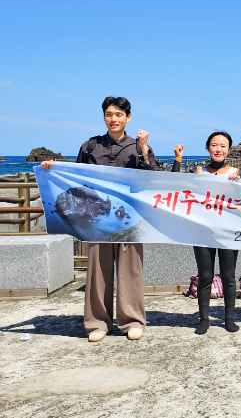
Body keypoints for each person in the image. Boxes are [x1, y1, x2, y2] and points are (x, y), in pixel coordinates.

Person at [40, 96, 162, 342]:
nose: (113, 119)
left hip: (130, 219)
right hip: (95, 220)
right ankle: (97, 323)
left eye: (119, 114)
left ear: (128, 117)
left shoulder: (138, 146)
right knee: (97, 272)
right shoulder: (90, 146)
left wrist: (146, 148)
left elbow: (156, 177)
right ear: (104, 117)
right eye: (109, 114)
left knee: (131, 271)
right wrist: (53, 169)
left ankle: (132, 321)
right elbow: (74, 180)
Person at [171, 133, 241, 334]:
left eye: (223, 146)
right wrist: (177, 158)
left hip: (228, 231)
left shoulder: (236, 173)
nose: (218, 149)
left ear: (229, 150)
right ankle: (204, 319)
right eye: (214, 145)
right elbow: (173, 182)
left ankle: (229, 318)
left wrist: (239, 184)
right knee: (205, 276)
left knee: (228, 277)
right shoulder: (198, 171)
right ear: (208, 148)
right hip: (202, 231)